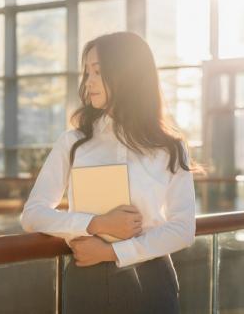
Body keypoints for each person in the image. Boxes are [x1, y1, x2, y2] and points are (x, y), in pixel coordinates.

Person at [19, 31, 204, 314]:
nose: (88, 82)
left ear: (127, 75)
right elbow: (33, 214)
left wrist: (111, 252)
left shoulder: (169, 147)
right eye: (87, 72)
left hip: (149, 279)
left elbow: (182, 229)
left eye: (98, 72)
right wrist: (96, 223)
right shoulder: (73, 142)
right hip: (86, 280)